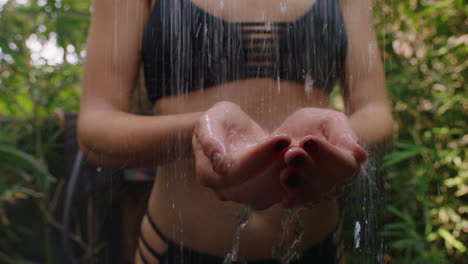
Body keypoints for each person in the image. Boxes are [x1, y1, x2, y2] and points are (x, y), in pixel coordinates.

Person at [77, 0, 393, 263]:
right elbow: (96, 126)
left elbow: (377, 115)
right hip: (175, 249)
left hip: (318, 249)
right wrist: (198, 132)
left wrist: (334, 139)